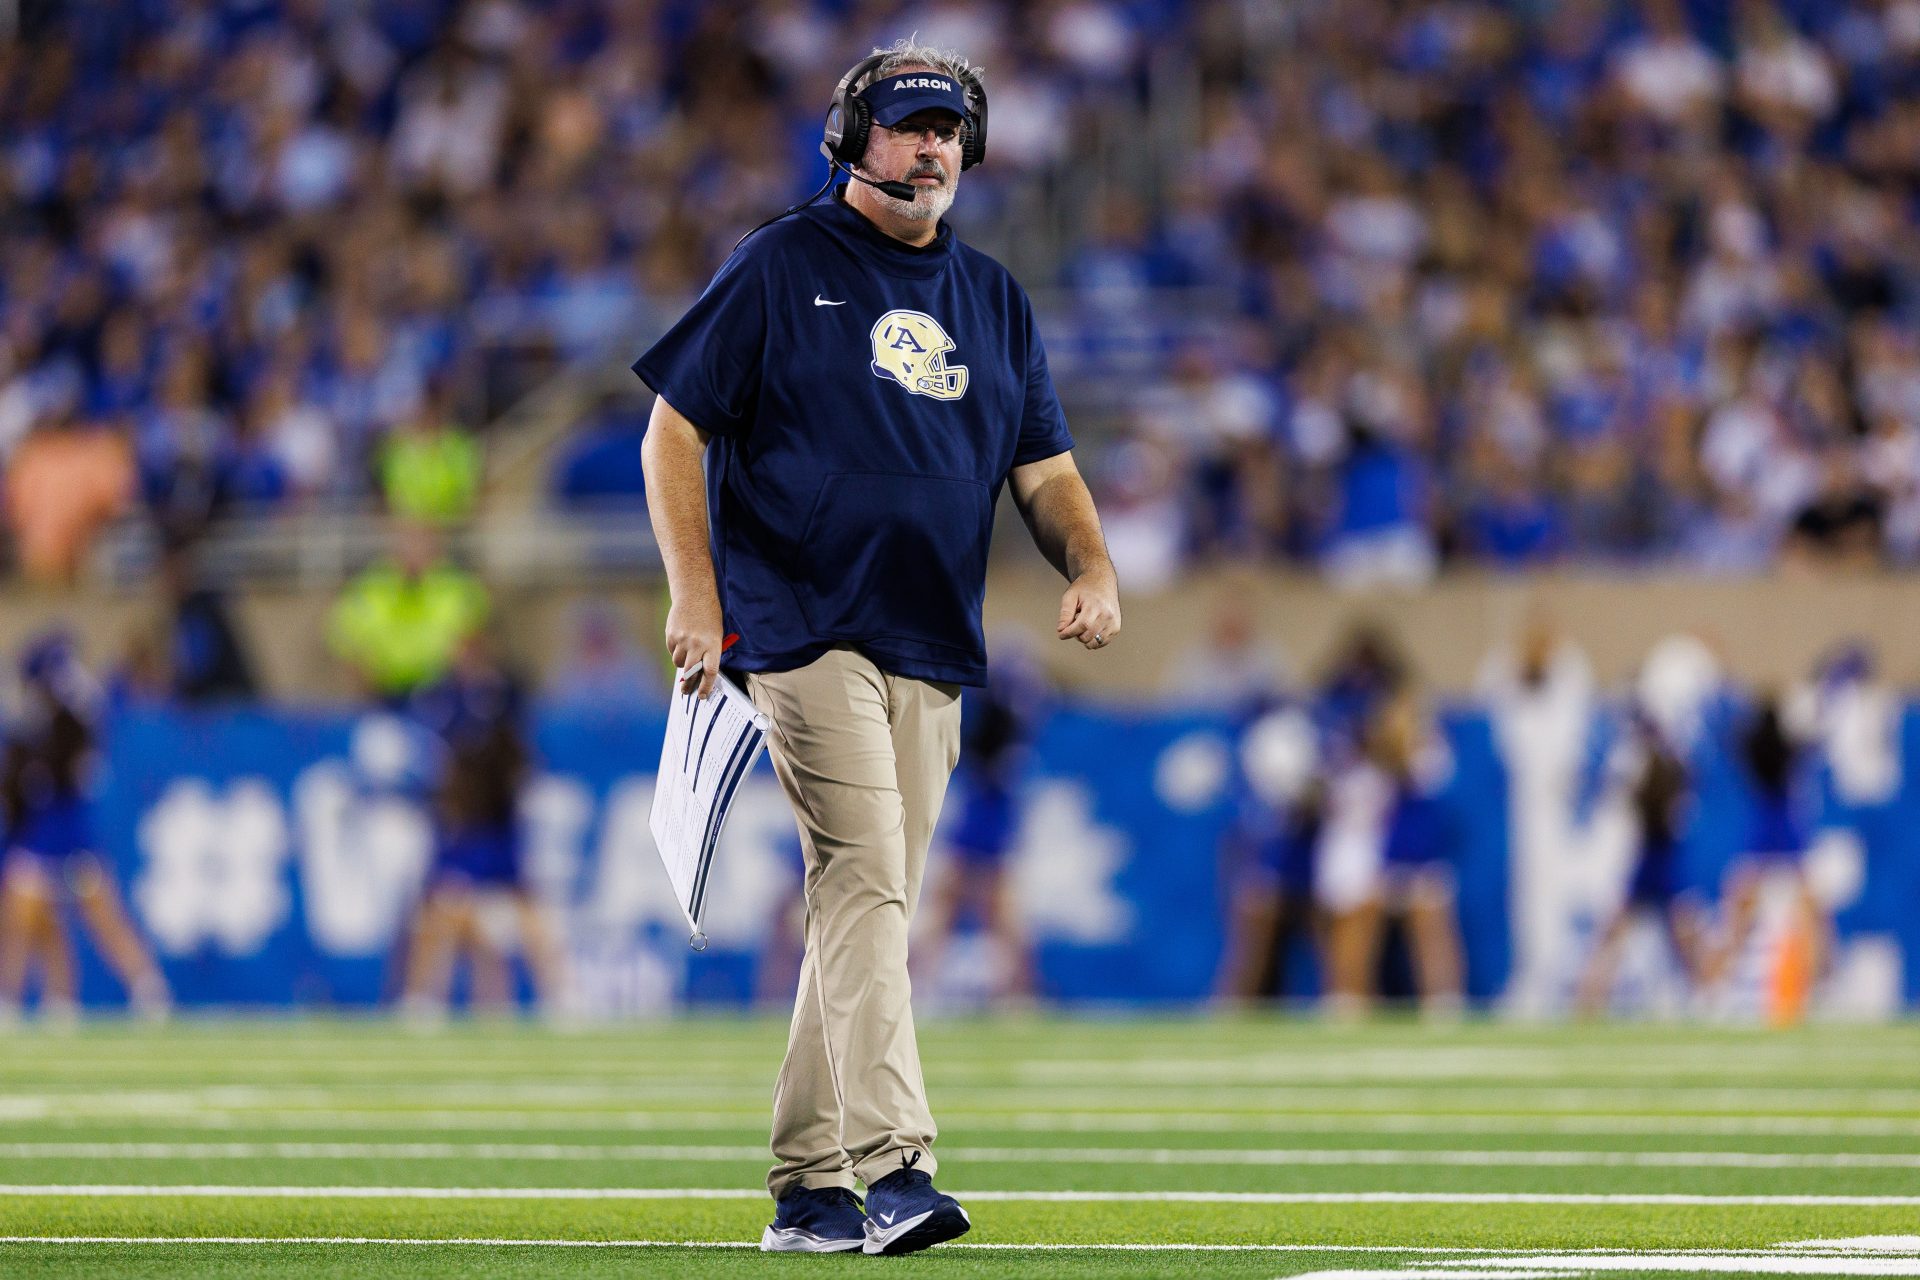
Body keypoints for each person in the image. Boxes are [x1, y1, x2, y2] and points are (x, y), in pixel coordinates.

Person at [635, 40, 1120, 1257]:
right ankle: (896, 1165)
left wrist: (1093, 563)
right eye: (909, 127)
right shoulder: (782, 262)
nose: (932, 148)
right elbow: (672, 431)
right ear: (852, 139)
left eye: (950, 129)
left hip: (932, 639)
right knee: (864, 880)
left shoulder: (994, 297)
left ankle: (806, 1188)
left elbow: (1045, 468)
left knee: (869, 904)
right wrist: (696, 592)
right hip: (801, 628)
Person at [0, 634, 170, 1023]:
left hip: (72, 839)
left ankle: (147, 986)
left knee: (102, 915)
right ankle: (31, 996)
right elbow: (16, 788)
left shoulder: (78, 715)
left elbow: (72, 760)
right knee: (28, 917)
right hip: (37, 839)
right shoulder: (30, 724)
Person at [398, 634, 568, 1021]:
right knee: (442, 908)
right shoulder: (441, 701)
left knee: (524, 911)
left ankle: (559, 993)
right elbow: (434, 756)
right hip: (462, 824)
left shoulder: (504, 696)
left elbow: (521, 757)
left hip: (497, 821)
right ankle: (422, 998)